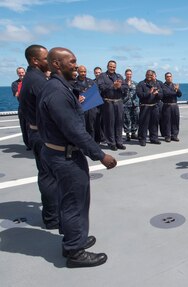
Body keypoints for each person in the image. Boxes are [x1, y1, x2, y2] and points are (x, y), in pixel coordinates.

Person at [38, 47, 117, 268]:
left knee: (68, 200)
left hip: (56, 152)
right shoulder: (57, 92)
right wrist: (101, 155)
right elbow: (74, 130)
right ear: (56, 64)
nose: (75, 65)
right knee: (75, 202)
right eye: (71, 62)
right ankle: (74, 250)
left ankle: (74, 238)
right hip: (66, 156)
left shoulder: (58, 87)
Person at [19, 44, 59, 229]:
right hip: (43, 136)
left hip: (36, 131)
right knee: (49, 177)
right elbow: (54, 109)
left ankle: (51, 214)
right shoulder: (38, 81)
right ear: (35, 60)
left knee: (46, 175)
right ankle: (52, 218)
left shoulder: (32, 78)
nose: (49, 62)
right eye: (46, 59)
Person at [97, 60, 127, 151]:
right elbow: (101, 87)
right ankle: (111, 143)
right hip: (108, 102)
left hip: (119, 102)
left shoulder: (119, 76)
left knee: (119, 123)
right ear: (107, 66)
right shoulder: (102, 76)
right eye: (110, 66)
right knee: (109, 123)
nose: (112, 68)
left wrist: (119, 87)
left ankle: (119, 142)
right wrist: (112, 86)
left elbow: (126, 87)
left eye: (114, 67)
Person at [136, 70, 164, 146]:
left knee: (154, 123)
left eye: (151, 75)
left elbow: (161, 95)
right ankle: (142, 139)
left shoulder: (156, 84)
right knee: (143, 124)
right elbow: (140, 95)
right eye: (148, 75)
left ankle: (154, 138)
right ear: (145, 75)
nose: (149, 76)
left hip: (154, 106)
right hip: (145, 106)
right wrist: (149, 92)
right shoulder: (141, 84)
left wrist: (157, 94)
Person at [73, 65, 98, 140]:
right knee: (82, 127)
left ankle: (92, 143)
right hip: (80, 108)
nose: (83, 73)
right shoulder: (74, 82)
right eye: (81, 72)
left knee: (91, 127)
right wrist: (77, 98)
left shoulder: (91, 81)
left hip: (91, 108)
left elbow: (96, 93)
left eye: (84, 72)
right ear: (78, 72)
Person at [11, 67, 31, 150]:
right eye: (19, 73)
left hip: (31, 108)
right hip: (23, 108)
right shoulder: (15, 84)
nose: (21, 74)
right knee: (24, 127)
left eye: (22, 72)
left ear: (25, 72)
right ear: (17, 74)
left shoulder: (30, 82)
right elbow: (16, 94)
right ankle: (28, 145)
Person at [161, 72, 182, 142]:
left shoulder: (174, 85)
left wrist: (177, 90)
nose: (169, 77)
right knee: (167, 121)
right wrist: (175, 92)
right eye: (167, 76)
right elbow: (166, 94)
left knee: (175, 121)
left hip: (174, 105)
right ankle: (167, 136)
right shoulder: (163, 86)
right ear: (165, 78)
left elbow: (180, 95)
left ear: (172, 77)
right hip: (167, 105)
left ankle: (174, 135)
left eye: (170, 76)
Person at [122, 69, 139, 141]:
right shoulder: (122, 83)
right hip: (126, 104)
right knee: (126, 119)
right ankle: (127, 134)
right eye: (127, 74)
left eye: (130, 74)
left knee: (135, 118)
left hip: (134, 103)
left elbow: (138, 93)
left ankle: (133, 133)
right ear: (125, 75)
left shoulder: (135, 83)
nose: (129, 75)